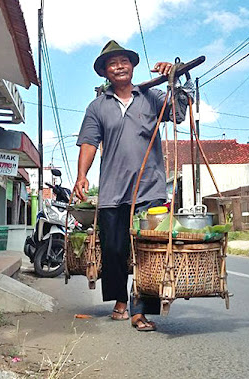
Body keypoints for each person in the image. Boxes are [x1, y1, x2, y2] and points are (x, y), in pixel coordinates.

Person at [73, 40, 189, 331]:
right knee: (114, 249)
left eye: (124, 61)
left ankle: (139, 311)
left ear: (133, 66)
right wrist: (81, 175)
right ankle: (119, 300)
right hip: (113, 189)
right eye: (112, 63)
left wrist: (174, 80)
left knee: (147, 251)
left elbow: (178, 114)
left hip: (149, 187)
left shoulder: (151, 96)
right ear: (105, 73)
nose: (119, 66)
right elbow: (89, 142)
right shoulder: (98, 106)